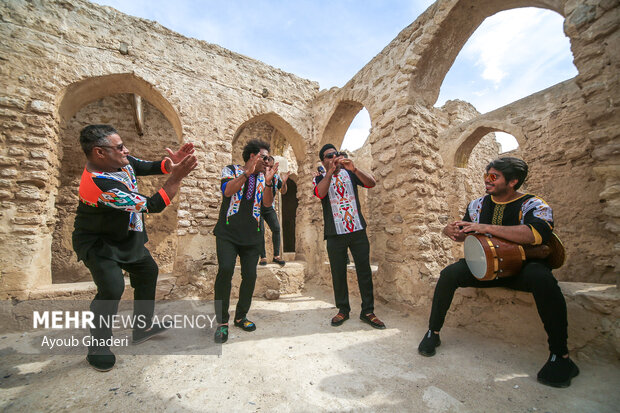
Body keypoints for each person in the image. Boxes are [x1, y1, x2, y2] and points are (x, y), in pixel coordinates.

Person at [418, 157, 579, 388]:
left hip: (521, 271)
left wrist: (485, 227)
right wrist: (451, 231)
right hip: (486, 270)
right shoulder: (477, 205)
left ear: (513, 181)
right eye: (486, 175)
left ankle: (561, 356)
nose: (487, 180)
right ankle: (433, 332)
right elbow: (465, 233)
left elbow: (537, 235)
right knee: (449, 275)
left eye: (494, 177)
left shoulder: (535, 205)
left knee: (542, 279)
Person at [72, 124, 197, 372]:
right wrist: (177, 178)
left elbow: (140, 165)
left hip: (126, 235)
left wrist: (169, 165)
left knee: (147, 270)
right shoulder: (100, 185)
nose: (126, 150)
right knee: (111, 288)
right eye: (119, 147)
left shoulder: (117, 162)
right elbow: (152, 205)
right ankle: (97, 347)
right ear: (99, 153)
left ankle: (143, 328)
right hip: (99, 242)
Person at [313, 144, 385, 329]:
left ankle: (368, 311)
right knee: (338, 273)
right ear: (323, 160)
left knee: (364, 271)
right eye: (329, 156)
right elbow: (320, 193)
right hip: (335, 233)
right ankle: (343, 309)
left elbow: (371, 183)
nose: (334, 157)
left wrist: (355, 168)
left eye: (336, 154)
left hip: (357, 230)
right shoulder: (319, 178)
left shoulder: (350, 173)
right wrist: (329, 173)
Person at [213, 139, 278, 343]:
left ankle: (241, 316)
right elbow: (228, 191)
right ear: (253, 156)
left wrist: (268, 181)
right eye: (264, 157)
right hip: (228, 233)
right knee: (225, 271)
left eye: (268, 158)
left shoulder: (267, 177)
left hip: (253, 236)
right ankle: (222, 322)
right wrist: (247, 173)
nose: (268, 162)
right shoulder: (230, 170)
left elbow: (267, 203)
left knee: (250, 276)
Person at [259, 156, 288, 266]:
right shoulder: (257, 175)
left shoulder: (275, 178)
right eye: (266, 163)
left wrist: (284, 183)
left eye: (270, 165)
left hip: (269, 207)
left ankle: (276, 256)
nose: (268, 166)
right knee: (260, 231)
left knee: (276, 228)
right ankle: (263, 257)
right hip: (257, 206)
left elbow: (283, 191)